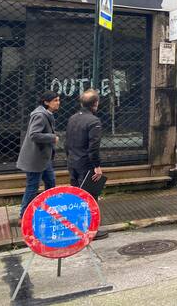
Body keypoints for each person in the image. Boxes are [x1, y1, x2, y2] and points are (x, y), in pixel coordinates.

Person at [65, 89, 108, 239]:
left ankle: (78, 227)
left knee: (77, 195)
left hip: (73, 162)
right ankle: (90, 230)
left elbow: (67, 142)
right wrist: (97, 166)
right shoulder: (94, 121)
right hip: (86, 164)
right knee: (90, 196)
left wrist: (70, 158)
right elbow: (93, 147)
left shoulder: (72, 118)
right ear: (95, 103)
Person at [16, 91, 61, 219]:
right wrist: (52, 137)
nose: (58, 103)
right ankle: (24, 216)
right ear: (46, 102)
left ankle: (49, 210)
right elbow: (34, 134)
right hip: (35, 159)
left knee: (50, 182)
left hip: (43, 158)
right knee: (32, 187)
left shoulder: (46, 114)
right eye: (55, 100)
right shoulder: (40, 115)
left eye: (58, 100)